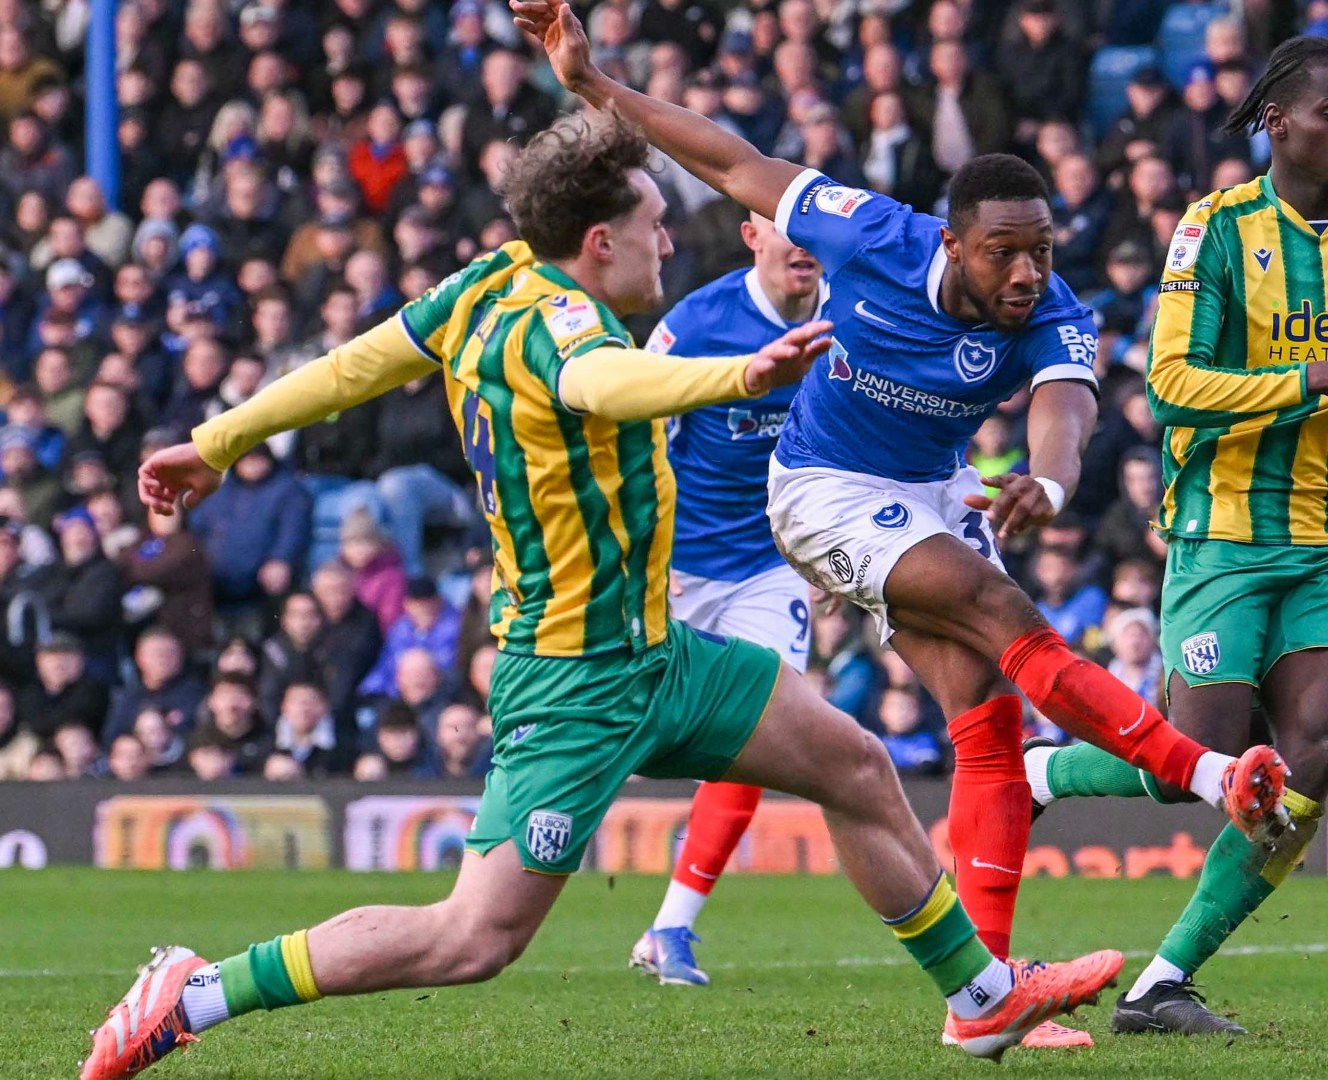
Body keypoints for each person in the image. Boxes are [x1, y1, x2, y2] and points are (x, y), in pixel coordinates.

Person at [84, 114, 1128, 1080]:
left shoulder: (482, 286)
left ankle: (980, 999)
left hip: (659, 653)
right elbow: (601, 385)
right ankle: (196, 991)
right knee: (472, 939)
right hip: (574, 677)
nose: (667, 245)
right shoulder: (566, 330)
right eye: (653, 227)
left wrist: (218, 440)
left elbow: (355, 365)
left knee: (853, 766)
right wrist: (738, 375)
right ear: (597, 242)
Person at [511, 3, 1287, 1052]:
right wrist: (595, 86)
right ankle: (1209, 775)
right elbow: (734, 160)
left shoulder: (1052, 308)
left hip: (930, 492)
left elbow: (1066, 409)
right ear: (952, 242)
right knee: (996, 607)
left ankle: (989, 1006)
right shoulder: (871, 231)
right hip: (821, 485)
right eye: (1004, 254)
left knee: (989, 717)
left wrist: (1053, 486)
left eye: (1041, 251)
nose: (1027, 274)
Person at [1024, 37, 1328, 1034]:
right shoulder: (1213, 229)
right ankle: (1044, 770)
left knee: (1315, 755)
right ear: (1277, 122)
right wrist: (1316, 378)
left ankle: (1163, 982)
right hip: (1222, 533)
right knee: (1200, 766)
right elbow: (1171, 386)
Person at [628, 207, 829, 989]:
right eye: (785, 226)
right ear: (753, 237)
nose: (803, 243)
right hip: (673, 567)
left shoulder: (851, 316)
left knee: (763, 729)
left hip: (767, 566)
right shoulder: (697, 324)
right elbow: (631, 430)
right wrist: (641, 554)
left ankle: (671, 928)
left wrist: (832, 548)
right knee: (602, 726)